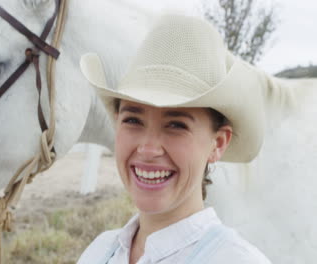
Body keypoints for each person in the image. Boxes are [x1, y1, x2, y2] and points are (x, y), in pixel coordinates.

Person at [77, 13, 274, 264]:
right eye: (133, 120)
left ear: (218, 143)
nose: (148, 149)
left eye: (176, 125)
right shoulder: (100, 251)